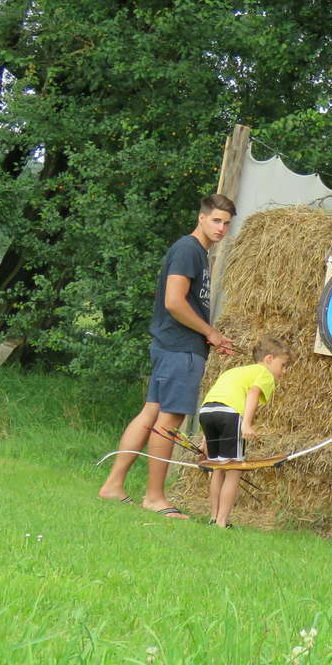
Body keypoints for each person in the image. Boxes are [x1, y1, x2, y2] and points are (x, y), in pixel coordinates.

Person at [97, 194, 238, 518]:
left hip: (173, 345)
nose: (221, 228)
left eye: (227, 224)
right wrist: (210, 333)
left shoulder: (198, 253)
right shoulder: (189, 250)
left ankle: (113, 486)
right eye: (216, 220)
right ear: (201, 218)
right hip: (179, 347)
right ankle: (155, 497)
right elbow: (174, 302)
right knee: (169, 420)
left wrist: (209, 336)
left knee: (151, 413)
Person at [198, 337, 292, 529]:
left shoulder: (236, 371)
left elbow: (217, 401)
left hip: (207, 412)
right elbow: (253, 394)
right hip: (231, 415)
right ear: (269, 359)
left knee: (217, 468)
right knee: (234, 469)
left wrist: (205, 440)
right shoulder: (264, 374)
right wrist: (246, 425)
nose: (284, 372)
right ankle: (222, 522)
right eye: (283, 365)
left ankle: (214, 518)